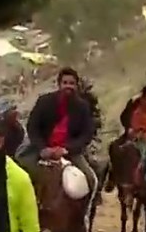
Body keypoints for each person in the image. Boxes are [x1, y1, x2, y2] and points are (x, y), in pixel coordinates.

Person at [20, 67, 98, 199]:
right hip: (43, 149)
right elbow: (33, 127)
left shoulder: (82, 107)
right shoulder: (44, 101)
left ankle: (85, 215)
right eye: (65, 83)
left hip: (69, 151)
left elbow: (86, 133)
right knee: (20, 174)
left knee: (91, 179)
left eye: (72, 83)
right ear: (59, 84)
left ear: (76, 86)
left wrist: (67, 149)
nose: (68, 86)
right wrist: (43, 148)